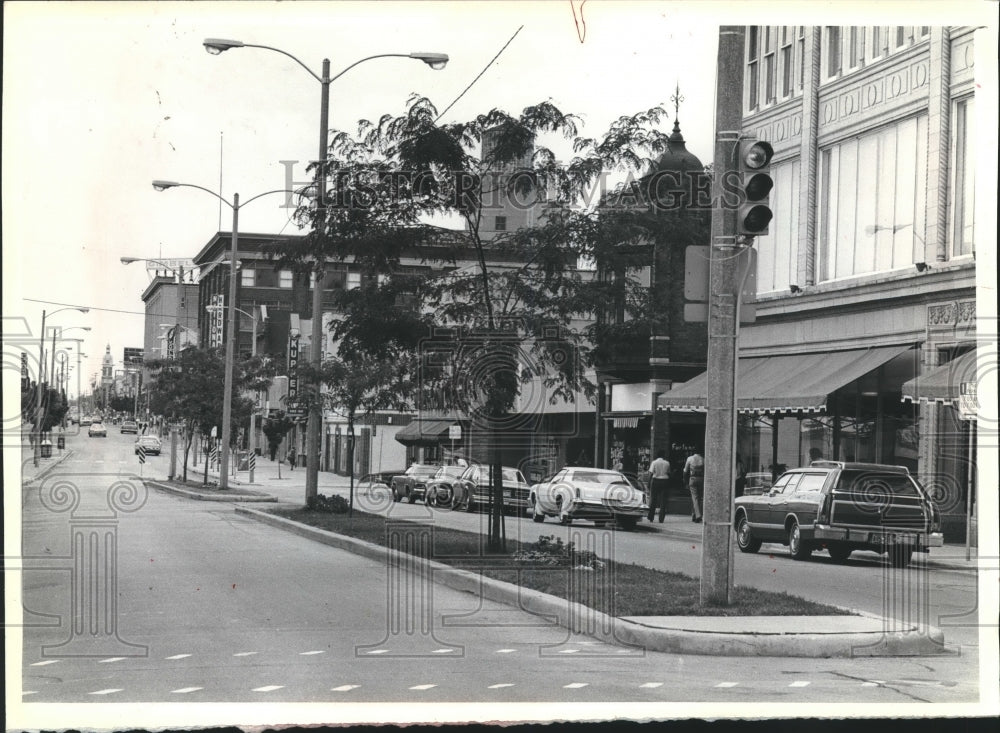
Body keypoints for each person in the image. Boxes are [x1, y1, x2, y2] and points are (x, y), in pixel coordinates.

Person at [646, 450, 671, 523]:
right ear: (663, 455)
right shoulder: (667, 463)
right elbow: (669, 473)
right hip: (665, 481)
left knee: (653, 499)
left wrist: (648, 483)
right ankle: (661, 518)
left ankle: (651, 517)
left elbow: (650, 473)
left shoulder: (654, 462)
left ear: (657, 455)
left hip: (655, 481)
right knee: (663, 500)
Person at [683, 450, 705, 523]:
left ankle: (698, 516)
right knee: (698, 498)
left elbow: (685, 471)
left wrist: (685, 480)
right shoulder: (703, 459)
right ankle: (694, 515)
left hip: (692, 479)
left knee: (695, 498)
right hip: (701, 479)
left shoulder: (690, 458)